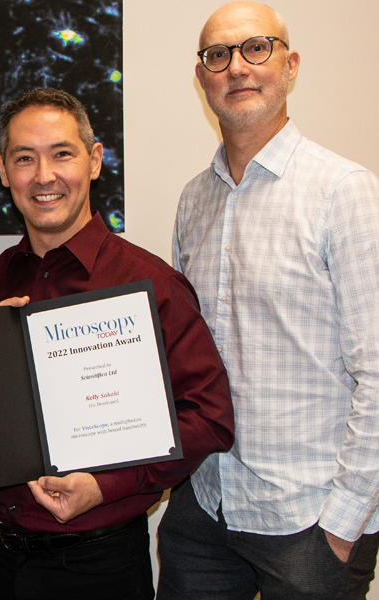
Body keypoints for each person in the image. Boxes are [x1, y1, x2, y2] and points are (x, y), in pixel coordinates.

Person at [0, 88, 234, 599]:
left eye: (62, 153)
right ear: (2, 170)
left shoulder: (150, 284)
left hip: (99, 565)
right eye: (24, 158)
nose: (44, 176)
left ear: (95, 160)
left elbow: (210, 416)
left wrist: (106, 486)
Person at [157, 2, 379, 598]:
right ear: (201, 76)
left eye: (256, 48)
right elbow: (184, 354)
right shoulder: (193, 200)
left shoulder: (344, 192)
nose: (237, 67)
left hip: (309, 520)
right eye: (218, 55)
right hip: (205, 507)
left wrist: (343, 524)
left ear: (290, 64)